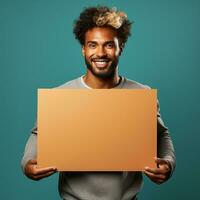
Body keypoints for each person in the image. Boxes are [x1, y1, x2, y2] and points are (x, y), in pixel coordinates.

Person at [21, 6, 176, 200]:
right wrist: (27, 163)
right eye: (93, 45)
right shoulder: (61, 95)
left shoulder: (141, 94)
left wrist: (168, 163)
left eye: (109, 45)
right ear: (83, 49)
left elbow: (161, 134)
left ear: (121, 48)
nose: (100, 53)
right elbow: (39, 134)